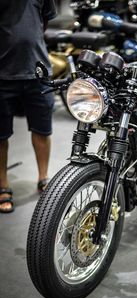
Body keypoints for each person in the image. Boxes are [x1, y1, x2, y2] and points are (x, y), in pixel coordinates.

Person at [0, 0, 57, 213]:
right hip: (3, 75)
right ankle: (2, 185)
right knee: (1, 136)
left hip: (38, 72)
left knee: (42, 130)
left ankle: (43, 178)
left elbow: (43, 23)